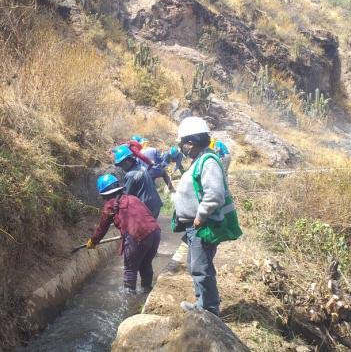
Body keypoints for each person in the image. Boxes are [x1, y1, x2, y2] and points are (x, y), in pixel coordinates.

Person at [172, 116, 242, 316]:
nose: (182, 148)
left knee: (201, 268)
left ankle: (209, 310)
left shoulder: (208, 161)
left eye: (182, 143)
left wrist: (200, 216)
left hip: (204, 225)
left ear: (191, 143)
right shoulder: (200, 160)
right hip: (196, 226)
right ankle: (202, 303)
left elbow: (214, 194)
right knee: (196, 266)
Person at [86, 174, 161, 293]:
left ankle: (129, 297)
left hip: (137, 236)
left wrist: (93, 241)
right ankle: (146, 290)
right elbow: (146, 215)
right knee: (146, 264)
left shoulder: (109, 206)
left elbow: (102, 228)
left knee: (130, 269)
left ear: (104, 193)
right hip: (155, 232)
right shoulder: (133, 198)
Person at [113, 145, 163, 219]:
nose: (121, 167)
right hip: (155, 204)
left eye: (121, 164)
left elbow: (125, 196)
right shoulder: (141, 168)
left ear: (127, 161)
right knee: (151, 228)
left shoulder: (131, 175)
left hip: (146, 208)